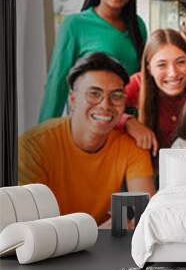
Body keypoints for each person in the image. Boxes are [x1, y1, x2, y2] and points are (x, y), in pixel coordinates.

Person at [19, 53, 155, 225]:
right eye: (94, 93)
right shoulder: (33, 146)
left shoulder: (131, 146)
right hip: (50, 246)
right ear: (73, 100)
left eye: (116, 96)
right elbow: (28, 226)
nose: (105, 105)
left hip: (102, 245)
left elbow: (143, 215)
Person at [39, 0, 147, 123]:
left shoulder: (138, 25)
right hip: (93, 122)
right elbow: (57, 83)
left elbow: (142, 80)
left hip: (129, 126)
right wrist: (43, 134)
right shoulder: (75, 25)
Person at [122, 29, 186, 157]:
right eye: (161, 65)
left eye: (180, 62)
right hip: (150, 167)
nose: (173, 73)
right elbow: (95, 106)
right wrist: (127, 121)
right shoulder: (138, 83)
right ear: (149, 68)